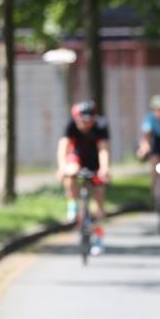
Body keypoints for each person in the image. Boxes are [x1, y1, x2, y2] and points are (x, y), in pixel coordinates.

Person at [56, 100, 111, 254]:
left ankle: (99, 238)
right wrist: (61, 167)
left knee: (99, 205)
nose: (85, 124)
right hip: (77, 157)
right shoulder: (70, 125)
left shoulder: (101, 126)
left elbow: (103, 150)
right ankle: (73, 205)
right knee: (71, 171)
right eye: (82, 121)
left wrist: (105, 169)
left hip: (95, 161)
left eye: (89, 121)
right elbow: (63, 148)